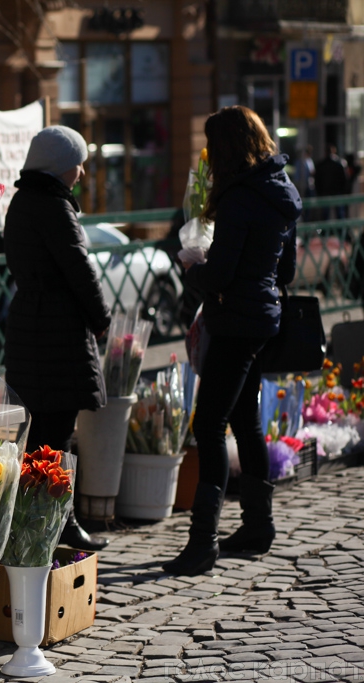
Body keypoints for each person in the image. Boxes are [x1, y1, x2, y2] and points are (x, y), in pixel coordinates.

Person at [170, 106, 300, 576]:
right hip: (264, 317)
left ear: (224, 149)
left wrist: (193, 266)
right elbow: (284, 271)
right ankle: (257, 526)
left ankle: (202, 542)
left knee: (209, 425)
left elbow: (220, 273)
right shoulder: (283, 191)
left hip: (235, 322)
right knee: (246, 419)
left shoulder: (239, 198)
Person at [2, 125, 112, 552]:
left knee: (39, 435)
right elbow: (78, 267)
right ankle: (61, 526)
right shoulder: (52, 205)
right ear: (61, 165)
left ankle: (37, 522)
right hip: (58, 334)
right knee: (59, 435)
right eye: (78, 162)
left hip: (30, 328)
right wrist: (100, 317)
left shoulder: (22, 201)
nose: (82, 171)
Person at [315, 144, 350, 220]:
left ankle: (324, 231)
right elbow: (344, 179)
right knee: (339, 214)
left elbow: (317, 180)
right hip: (336, 192)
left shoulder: (321, 165)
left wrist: (319, 192)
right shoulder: (338, 164)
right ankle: (341, 230)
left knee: (325, 215)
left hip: (325, 192)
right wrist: (343, 191)